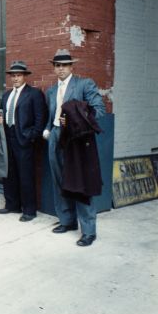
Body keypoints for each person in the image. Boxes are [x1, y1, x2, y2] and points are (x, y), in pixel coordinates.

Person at [43, 49, 105, 247]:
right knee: (59, 180)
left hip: (76, 140)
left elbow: (99, 110)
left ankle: (88, 231)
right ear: (54, 68)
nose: (61, 69)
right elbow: (50, 115)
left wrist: (73, 120)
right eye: (57, 65)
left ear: (72, 66)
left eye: (65, 65)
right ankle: (67, 221)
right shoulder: (51, 91)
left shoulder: (84, 84)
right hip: (55, 136)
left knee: (80, 183)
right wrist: (47, 130)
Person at [0, 61, 47, 222]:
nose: (15, 78)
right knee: (9, 173)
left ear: (25, 76)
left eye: (18, 75)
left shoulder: (34, 94)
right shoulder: (6, 95)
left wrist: (31, 136)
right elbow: (2, 113)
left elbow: (41, 119)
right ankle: (12, 205)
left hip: (24, 140)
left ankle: (29, 210)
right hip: (7, 138)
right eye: (13, 75)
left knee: (26, 176)